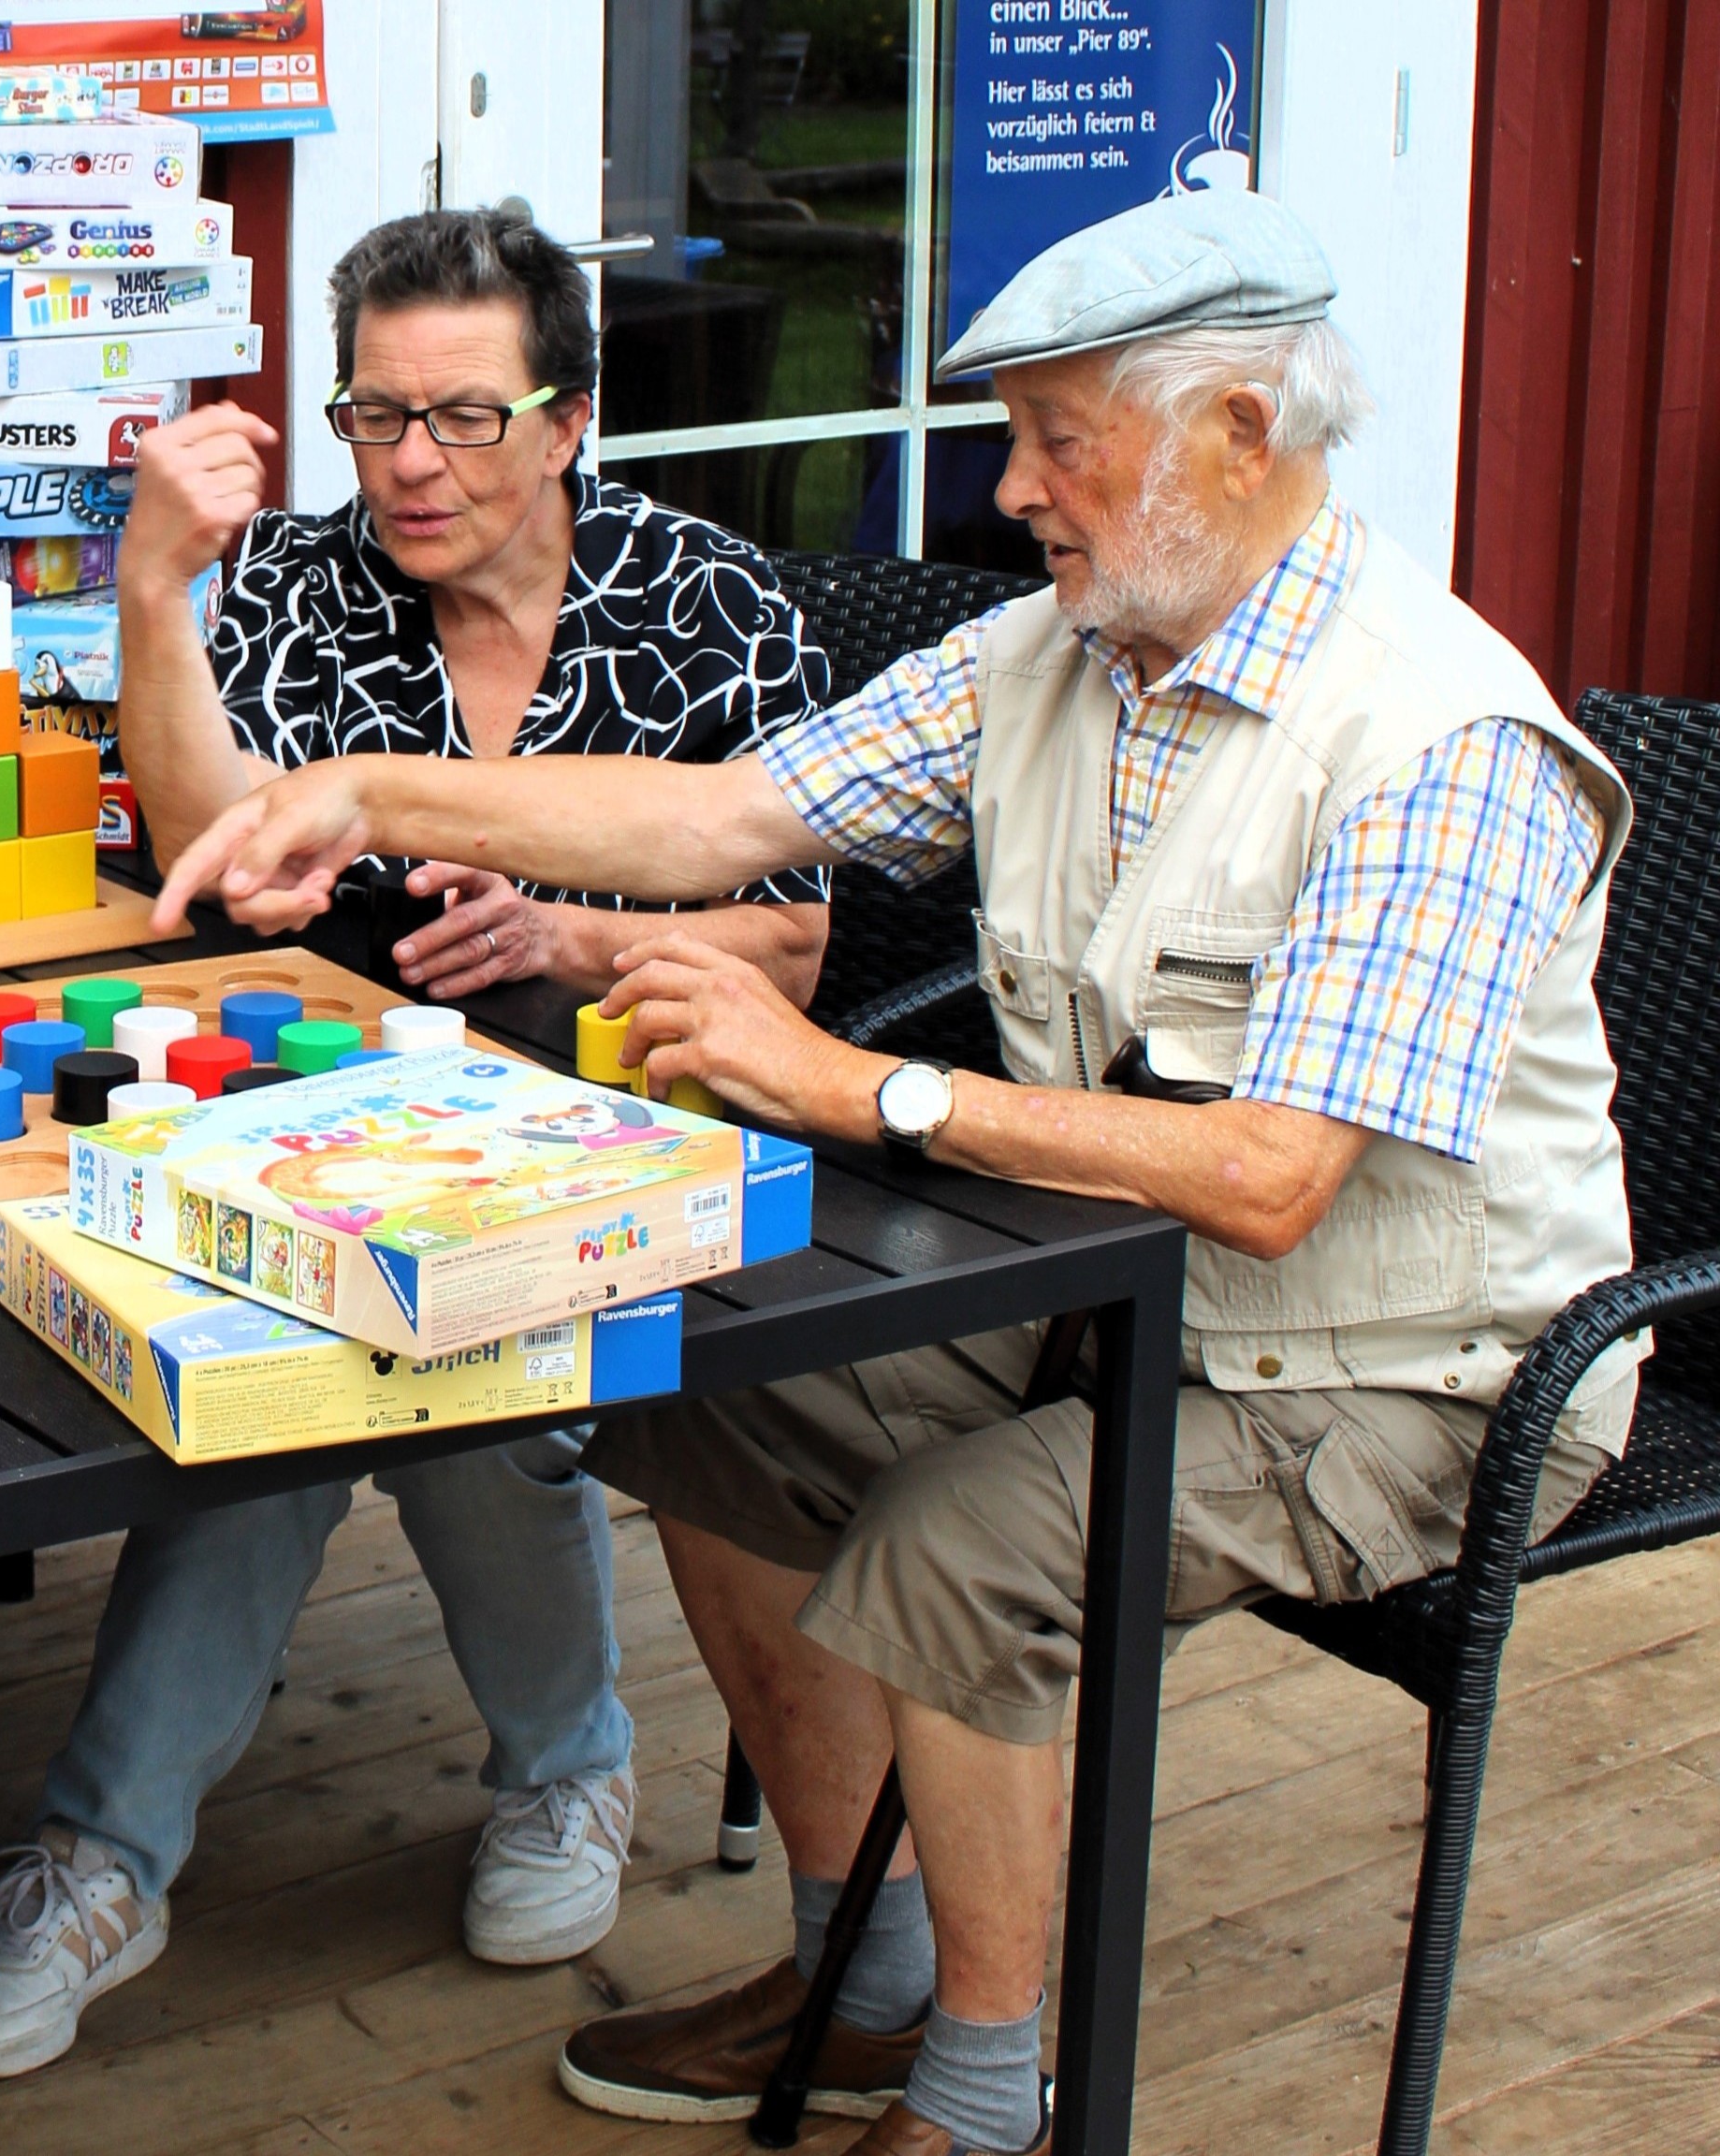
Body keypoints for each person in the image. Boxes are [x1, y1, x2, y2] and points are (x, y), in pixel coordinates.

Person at [149, 188, 1640, 2156]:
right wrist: (360, 792)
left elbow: (1279, 1180)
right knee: (693, 1392)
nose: (1012, 488)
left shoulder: (1437, 739)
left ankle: (984, 2090)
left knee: (965, 1543)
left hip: (1411, 1374)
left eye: (1056, 439)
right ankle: (864, 1978)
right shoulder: (1061, 651)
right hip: (1117, 1296)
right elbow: (725, 814)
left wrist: (859, 1090)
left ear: (1239, 439)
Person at [0, 207, 832, 2081]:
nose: (412, 464)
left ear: (571, 418)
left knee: (428, 1365)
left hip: (621, 1131)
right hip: (329, 1114)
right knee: (298, 1367)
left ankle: (151, 1844)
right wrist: (149, 592)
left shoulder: (710, 600)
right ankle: (225, 1836)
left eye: (463, 416)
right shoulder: (293, 576)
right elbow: (216, 860)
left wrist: (568, 932)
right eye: (374, 416)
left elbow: (792, 936)